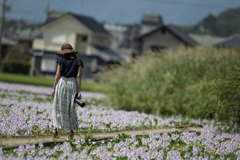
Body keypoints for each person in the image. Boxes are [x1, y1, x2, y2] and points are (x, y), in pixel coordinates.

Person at [51, 43, 84, 139]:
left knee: (58, 106)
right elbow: (78, 76)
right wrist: (78, 91)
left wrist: (54, 88)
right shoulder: (79, 61)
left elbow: (57, 75)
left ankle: (55, 129)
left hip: (62, 83)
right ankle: (70, 131)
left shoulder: (61, 60)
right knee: (70, 107)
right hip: (72, 84)